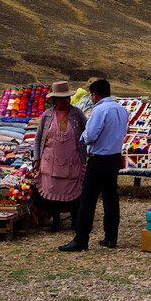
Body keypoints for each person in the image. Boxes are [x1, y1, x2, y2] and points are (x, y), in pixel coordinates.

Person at [59, 79, 128, 252]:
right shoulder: (121, 110)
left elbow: (90, 136)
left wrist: (83, 139)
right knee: (110, 199)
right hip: (114, 158)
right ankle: (111, 237)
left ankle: (81, 239)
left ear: (95, 94)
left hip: (99, 159)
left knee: (88, 200)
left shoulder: (100, 110)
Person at [33, 81, 87, 232]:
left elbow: (88, 132)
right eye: (61, 98)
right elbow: (38, 138)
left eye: (67, 98)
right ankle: (56, 221)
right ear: (54, 100)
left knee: (74, 191)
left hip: (72, 161)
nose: (65, 101)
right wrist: (37, 159)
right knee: (53, 191)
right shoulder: (47, 116)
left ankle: (75, 221)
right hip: (51, 162)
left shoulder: (77, 114)